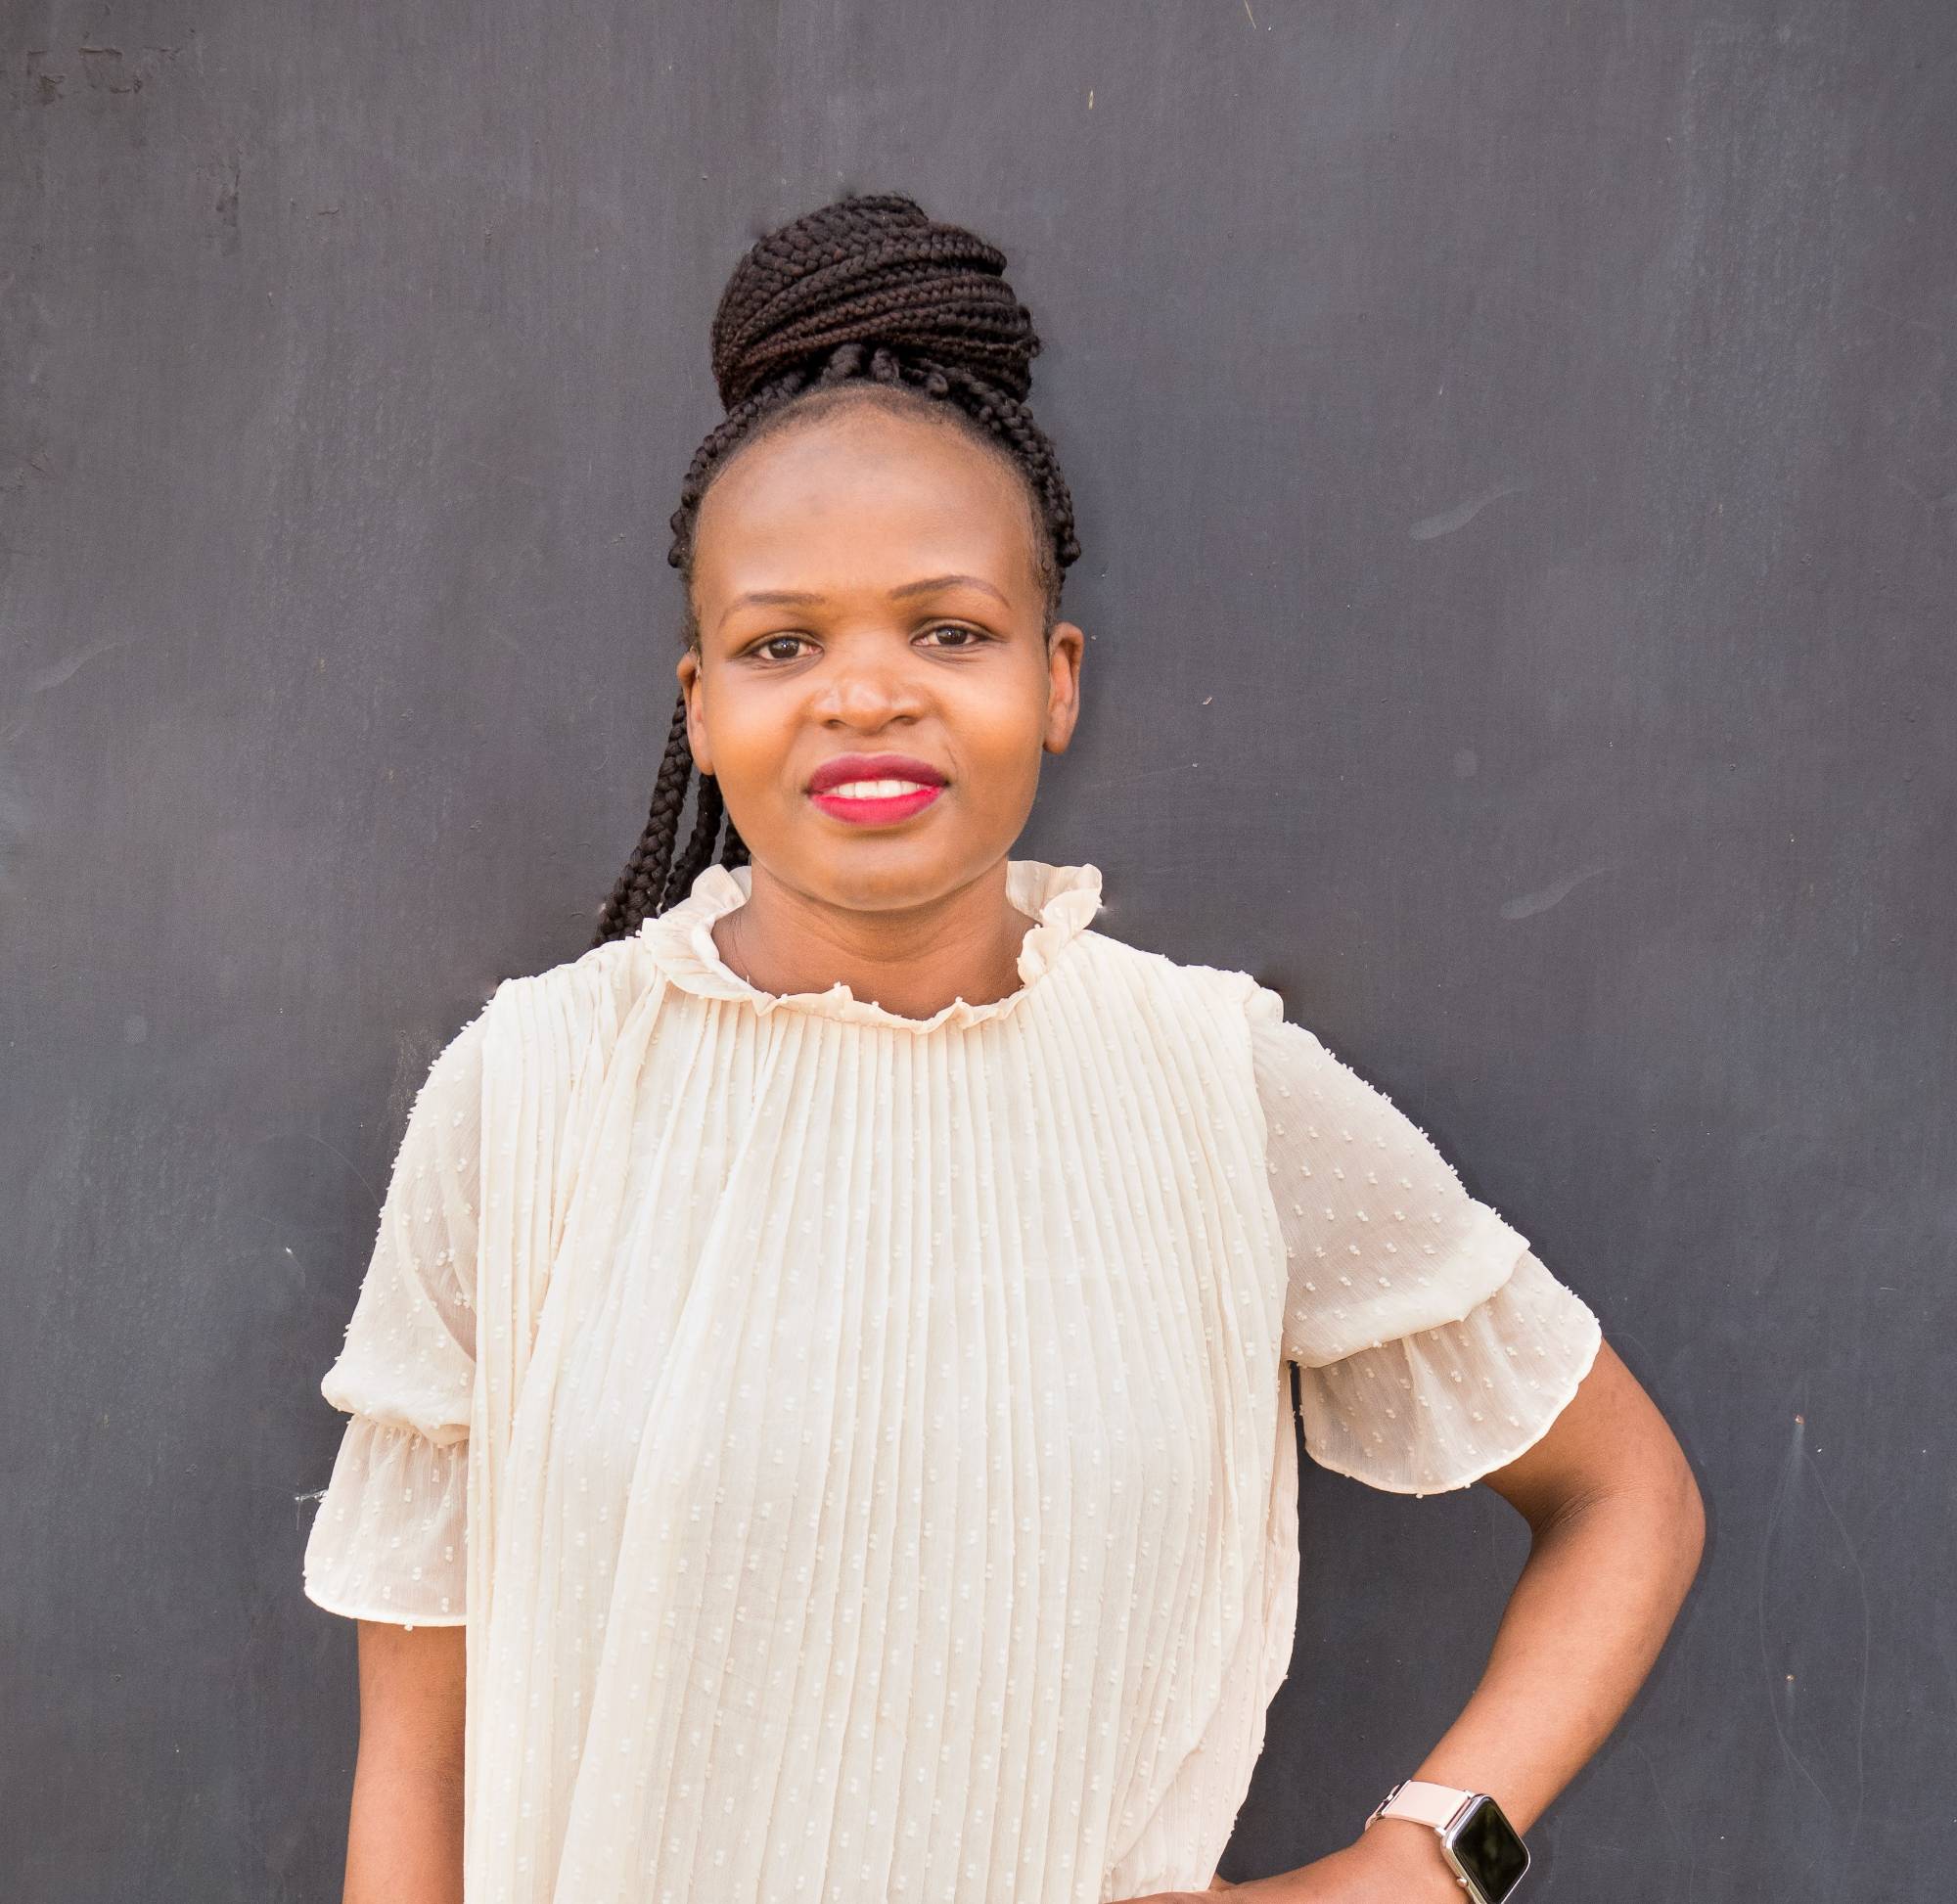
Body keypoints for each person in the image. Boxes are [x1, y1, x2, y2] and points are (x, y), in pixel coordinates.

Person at [301, 193, 1704, 1904]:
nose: (865, 692)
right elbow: (414, 1763)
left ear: (1058, 678)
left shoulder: (1214, 1089)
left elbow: (1628, 1492)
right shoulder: (525, 1101)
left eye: (946, 628)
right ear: (699, 706)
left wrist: (1425, 1866)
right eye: (782, 641)